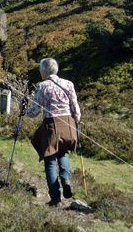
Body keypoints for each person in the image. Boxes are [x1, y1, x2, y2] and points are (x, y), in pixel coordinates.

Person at [23, 58, 81, 206]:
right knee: (63, 152)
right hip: (69, 123)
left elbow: (34, 111)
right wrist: (76, 119)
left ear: (44, 71)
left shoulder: (42, 86)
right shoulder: (69, 84)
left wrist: (24, 111)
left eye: (40, 69)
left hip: (51, 125)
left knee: (49, 159)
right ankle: (66, 179)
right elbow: (75, 108)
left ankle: (55, 198)